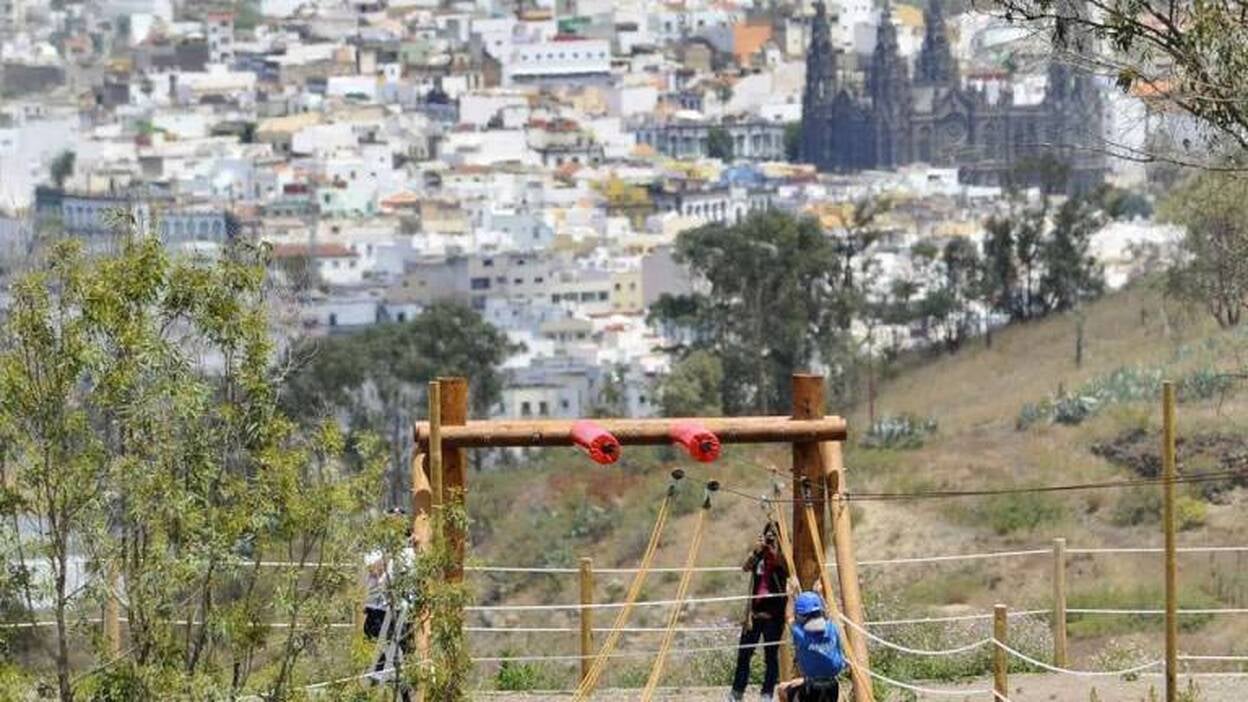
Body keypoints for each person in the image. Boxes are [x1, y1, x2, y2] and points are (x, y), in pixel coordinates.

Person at [728, 522, 789, 702]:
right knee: (744, 654)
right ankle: (737, 693)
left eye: (774, 535)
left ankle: (766, 694)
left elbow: (787, 568)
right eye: (768, 534)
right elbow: (745, 567)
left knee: (771, 657)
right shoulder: (759, 555)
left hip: (774, 615)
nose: (770, 538)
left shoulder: (784, 555)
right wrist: (757, 551)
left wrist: (774, 551)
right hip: (754, 614)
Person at [777, 591, 846, 702]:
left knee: (782, 689)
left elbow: (788, 617)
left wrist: (790, 596)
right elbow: (827, 613)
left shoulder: (801, 634)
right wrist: (821, 594)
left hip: (811, 687)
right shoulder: (832, 628)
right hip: (833, 686)